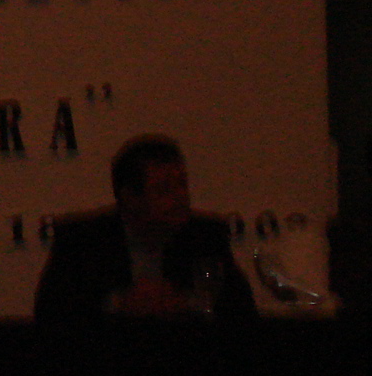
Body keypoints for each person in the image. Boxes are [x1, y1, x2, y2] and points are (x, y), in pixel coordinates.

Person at [35, 134, 257, 322]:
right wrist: (117, 303)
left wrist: (187, 302)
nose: (180, 197)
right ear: (130, 198)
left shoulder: (205, 235)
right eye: (164, 189)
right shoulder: (81, 240)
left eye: (182, 185)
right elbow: (50, 314)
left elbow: (242, 311)